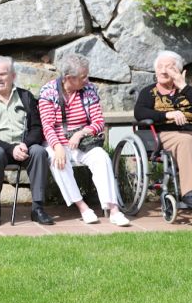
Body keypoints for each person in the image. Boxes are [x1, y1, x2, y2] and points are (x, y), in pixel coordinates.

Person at [38, 54, 130, 227]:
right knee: (57, 160)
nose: (87, 80)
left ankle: (114, 209)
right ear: (68, 78)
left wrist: (80, 133)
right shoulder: (48, 92)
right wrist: (57, 146)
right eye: (83, 77)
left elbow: (98, 122)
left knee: (101, 157)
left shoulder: (90, 90)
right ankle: (83, 207)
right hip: (57, 141)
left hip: (84, 142)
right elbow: (47, 126)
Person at [0, 56, 53, 226]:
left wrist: (25, 144)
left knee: (39, 151)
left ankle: (38, 208)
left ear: (13, 76)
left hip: (24, 147)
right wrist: (10, 148)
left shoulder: (26, 97)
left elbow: (36, 128)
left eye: (3, 74)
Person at [134, 51, 192, 209]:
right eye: (159, 67)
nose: (163, 70)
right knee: (186, 141)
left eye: (169, 67)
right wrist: (168, 114)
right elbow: (140, 113)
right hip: (163, 134)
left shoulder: (186, 91)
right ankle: (189, 192)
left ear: (178, 71)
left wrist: (183, 86)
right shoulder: (149, 92)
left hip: (190, 131)